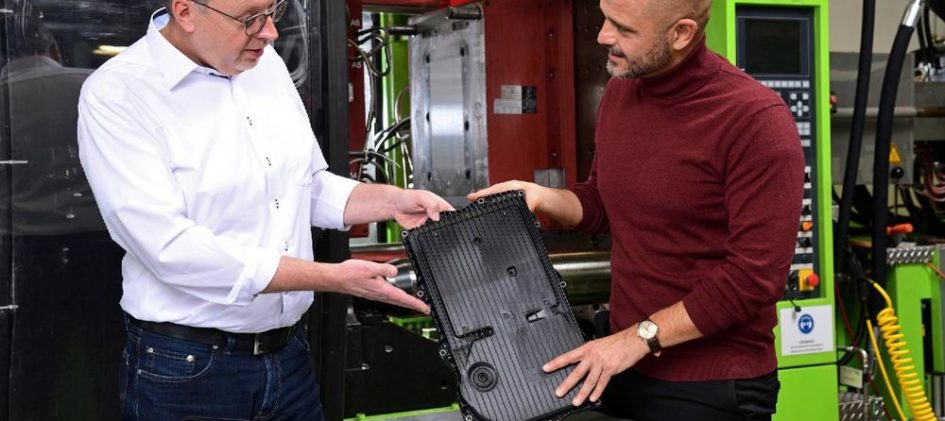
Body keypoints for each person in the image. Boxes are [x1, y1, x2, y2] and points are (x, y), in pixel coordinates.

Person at [76, 0, 452, 420]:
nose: (270, 32)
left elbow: (303, 186)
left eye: (275, 10)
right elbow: (170, 248)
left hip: (288, 357)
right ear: (185, 12)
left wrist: (390, 201)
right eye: (250, 18)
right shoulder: (119, 92)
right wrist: (332, 278)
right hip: (189, 370)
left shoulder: (265, 64)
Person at [469, 0, 804, 419]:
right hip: (621, 364)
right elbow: (602, 201)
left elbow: (752, 280)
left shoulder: (755, 120)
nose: (603, 36)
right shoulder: (623, 90)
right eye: (605, 18)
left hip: (709, 384)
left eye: (624, 29)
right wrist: (539, 197)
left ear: (681, 34)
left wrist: (637, 338)